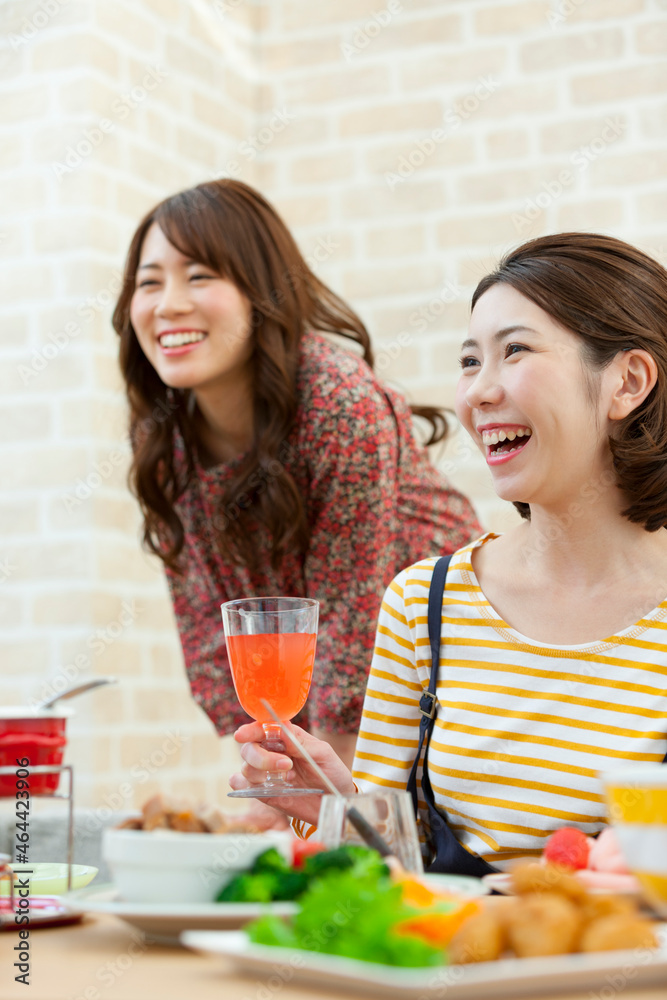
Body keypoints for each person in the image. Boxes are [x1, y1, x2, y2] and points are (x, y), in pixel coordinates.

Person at [231, 232, 667, 871]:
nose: (478, 393)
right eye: (470, 361)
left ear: (627, 382)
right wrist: (329, 807)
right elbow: (392, 865)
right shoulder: (425, 603)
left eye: (514, 350)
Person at [113, 178, 480, 767]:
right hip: (320, 697)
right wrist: (270, 769)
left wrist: (326, 793)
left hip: (442, 667)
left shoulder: (339, 400)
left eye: (199, 275)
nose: (167, 304)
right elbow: (205, 616)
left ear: (260, 290)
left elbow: (352, 613)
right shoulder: (163, 431)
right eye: (149, 282)